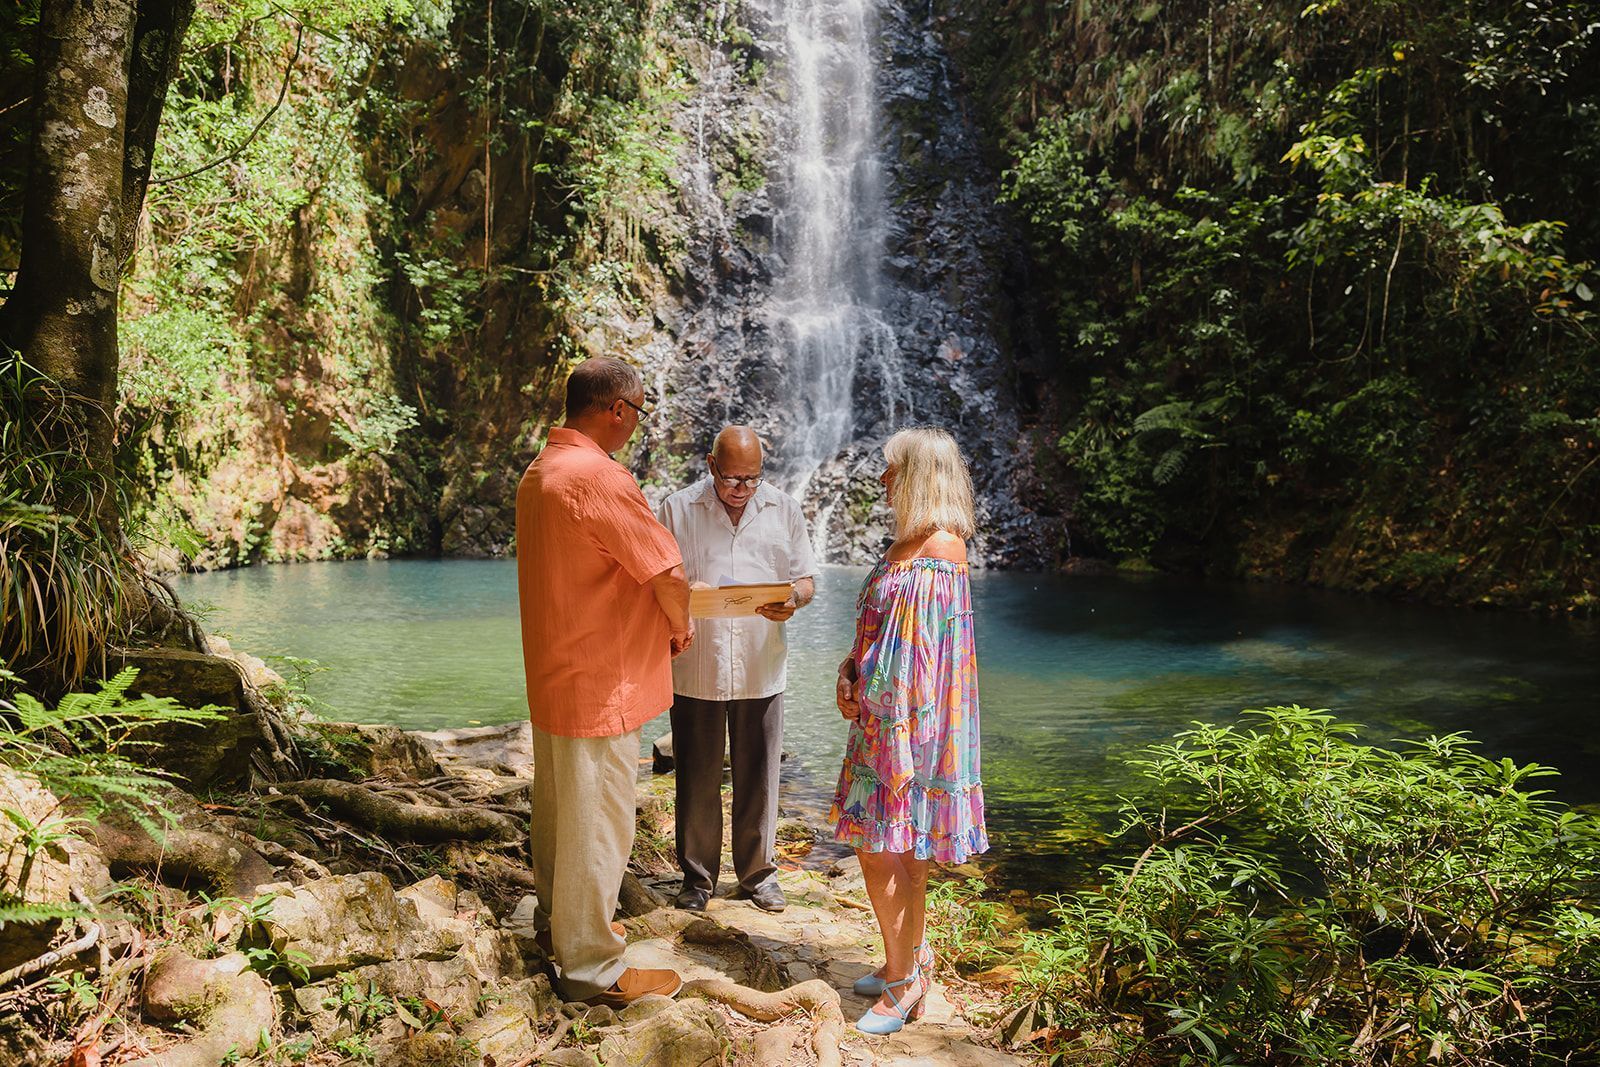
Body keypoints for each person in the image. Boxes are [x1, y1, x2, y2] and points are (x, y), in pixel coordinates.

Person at [516, 357, 695, 1007]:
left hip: (557, 671)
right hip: (603, 680)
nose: (638, 424)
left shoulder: (541, 472)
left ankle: (557, 925)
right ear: (617, 408)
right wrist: (680, 628)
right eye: (640, 411)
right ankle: (590, 965)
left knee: (563, 812)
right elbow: (667, 572)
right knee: (601, 821)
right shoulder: (600, 477)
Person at [828, 426, 989, 1035]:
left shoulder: (940, 550)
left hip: (908, 724)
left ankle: (901, 985)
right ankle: (911, 956)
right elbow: (880, 630)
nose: (882, 479)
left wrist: (876, 700)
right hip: (881, 717)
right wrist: (849, 668)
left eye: (892, 469)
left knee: (880, 845)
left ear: (919, 476)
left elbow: (926, 657)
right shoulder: (906, 545)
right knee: (897, 844)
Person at [657, 426, 818, 914]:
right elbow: (656, 580)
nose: (741, 489)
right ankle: (697, 879)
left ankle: (758, 876)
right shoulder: (676, 509)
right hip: (696, 662)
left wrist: (792, 599)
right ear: (710, 465)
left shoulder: (784, 508)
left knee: (759, 775)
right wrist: (689, 590)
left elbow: (806, 579)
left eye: (751, 479)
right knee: (697, 776)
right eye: (731, 478)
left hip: (760, 663)